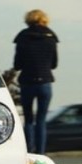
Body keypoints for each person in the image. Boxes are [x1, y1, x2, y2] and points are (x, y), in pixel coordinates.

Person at [12, 9, 59, 154]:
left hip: (27, 82)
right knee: (41, 120)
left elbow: (17, 65)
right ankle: (41, 153)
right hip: (45, 82)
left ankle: (29, 151)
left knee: (29, 119)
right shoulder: (51, 37)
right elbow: (54, 64)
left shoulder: (22, 37)